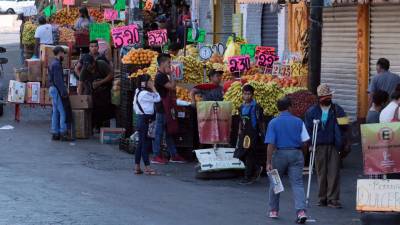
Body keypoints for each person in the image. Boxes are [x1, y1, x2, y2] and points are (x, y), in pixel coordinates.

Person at [265, 97, 309, 224]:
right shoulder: (298, 121)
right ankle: (301, 211)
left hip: (279, 154)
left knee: (275, 181)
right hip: (296, 153)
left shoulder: (273, 123)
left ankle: (273, 210)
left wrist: (268, 162)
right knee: (297, 183)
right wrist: (302, 155)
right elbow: (305, 142)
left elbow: (270, 144)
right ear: (290, 107)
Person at [304, 84, 348, 209]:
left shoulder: (337, 109)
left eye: (330, 95)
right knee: (321, 172)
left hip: (334, 145)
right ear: (320, 98)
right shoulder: (312, 111)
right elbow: (307, 129)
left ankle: (333, 199)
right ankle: (322, 197)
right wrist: (310, 144)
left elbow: (345, 126)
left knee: (334, 172)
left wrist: (343, 140)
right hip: (319, 145)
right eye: (326, 96)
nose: (329, 98)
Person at [152, 53, 186, 164]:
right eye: (168, 62)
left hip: (166, 108)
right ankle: (156, 155)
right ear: (162, 63)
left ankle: (174, 155)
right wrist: (172, 74)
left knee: (169, 132)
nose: (170, 65)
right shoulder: (160, 76)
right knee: (159, 132)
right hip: (162, 108)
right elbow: (172, 87)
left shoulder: (162, 75)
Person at [234, 84, 264, 185]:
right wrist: (239, 130)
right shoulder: (241, 107)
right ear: (242, 94)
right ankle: (257, 168)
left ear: (252, 95)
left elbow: (260, 121)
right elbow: (240, 120)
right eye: (245, 94)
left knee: (249, 154)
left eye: (249, 94)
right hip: (243, 133)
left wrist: (261, 134)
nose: (247, 96)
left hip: (252, 134)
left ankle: (248, 177)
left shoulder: (256, 107)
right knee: (241, 153)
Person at [78, 54, 114, 131]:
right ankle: (92, 126)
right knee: (93, 108)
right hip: (93, 91)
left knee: (105, 109)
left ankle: (102, 127)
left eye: (89, 66)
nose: (88, 68)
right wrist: (80, 99)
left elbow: (111, 75)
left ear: (94, 62)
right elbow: (80, 85)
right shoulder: (84, 69)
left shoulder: (101, 64)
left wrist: (100, 82)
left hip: (105, 89)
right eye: (86, 66)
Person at [133, 74, 160, 175]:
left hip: (141, 119)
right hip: (145, 120)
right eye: (150, 81)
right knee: (145, 144)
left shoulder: (137, 91)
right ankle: (148, 167)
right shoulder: (145, 94)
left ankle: (137, 167)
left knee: (141, 144)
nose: (152, 82)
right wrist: (153, 88)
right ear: (145, 83)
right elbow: (158, 98)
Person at [48, 46, 68, 141]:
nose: (64, 55)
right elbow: (58, 81)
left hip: (53, 89)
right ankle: (63, 132)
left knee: (55, 112)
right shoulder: (56, 65)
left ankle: (55, 133)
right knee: (62, 111)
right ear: (60, 53)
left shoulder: (54, 63)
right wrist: (63, 92)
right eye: (63, 53)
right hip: (56, 89)